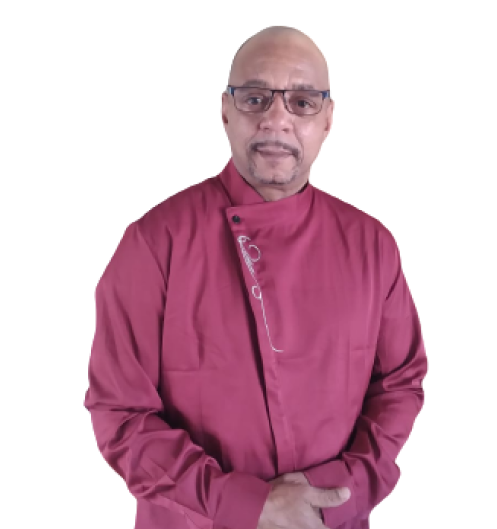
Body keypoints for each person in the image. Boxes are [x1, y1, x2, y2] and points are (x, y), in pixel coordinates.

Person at [83, 25, 428, 529]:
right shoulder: (152, 242)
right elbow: (120, 415)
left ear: (328, 120)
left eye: (302, 102)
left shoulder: (373, 244)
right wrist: (249, 505)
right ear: (225, 111)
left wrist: (340, 492)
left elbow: (401, 383)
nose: (276, 119)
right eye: (255, 98)